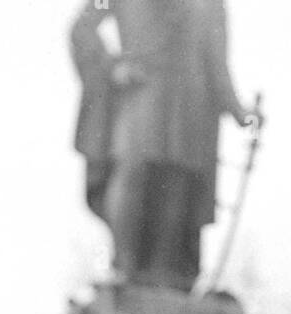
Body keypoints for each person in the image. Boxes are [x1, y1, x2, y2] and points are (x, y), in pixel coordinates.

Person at [70, 0, 254, 291]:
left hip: (191, 106)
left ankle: (165, 279)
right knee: (133, 173)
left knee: (178, 184)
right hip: (141, 94)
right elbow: (83, 26)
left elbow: (217, 64)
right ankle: (125, 268)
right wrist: (111, 68)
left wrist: (241, 113)